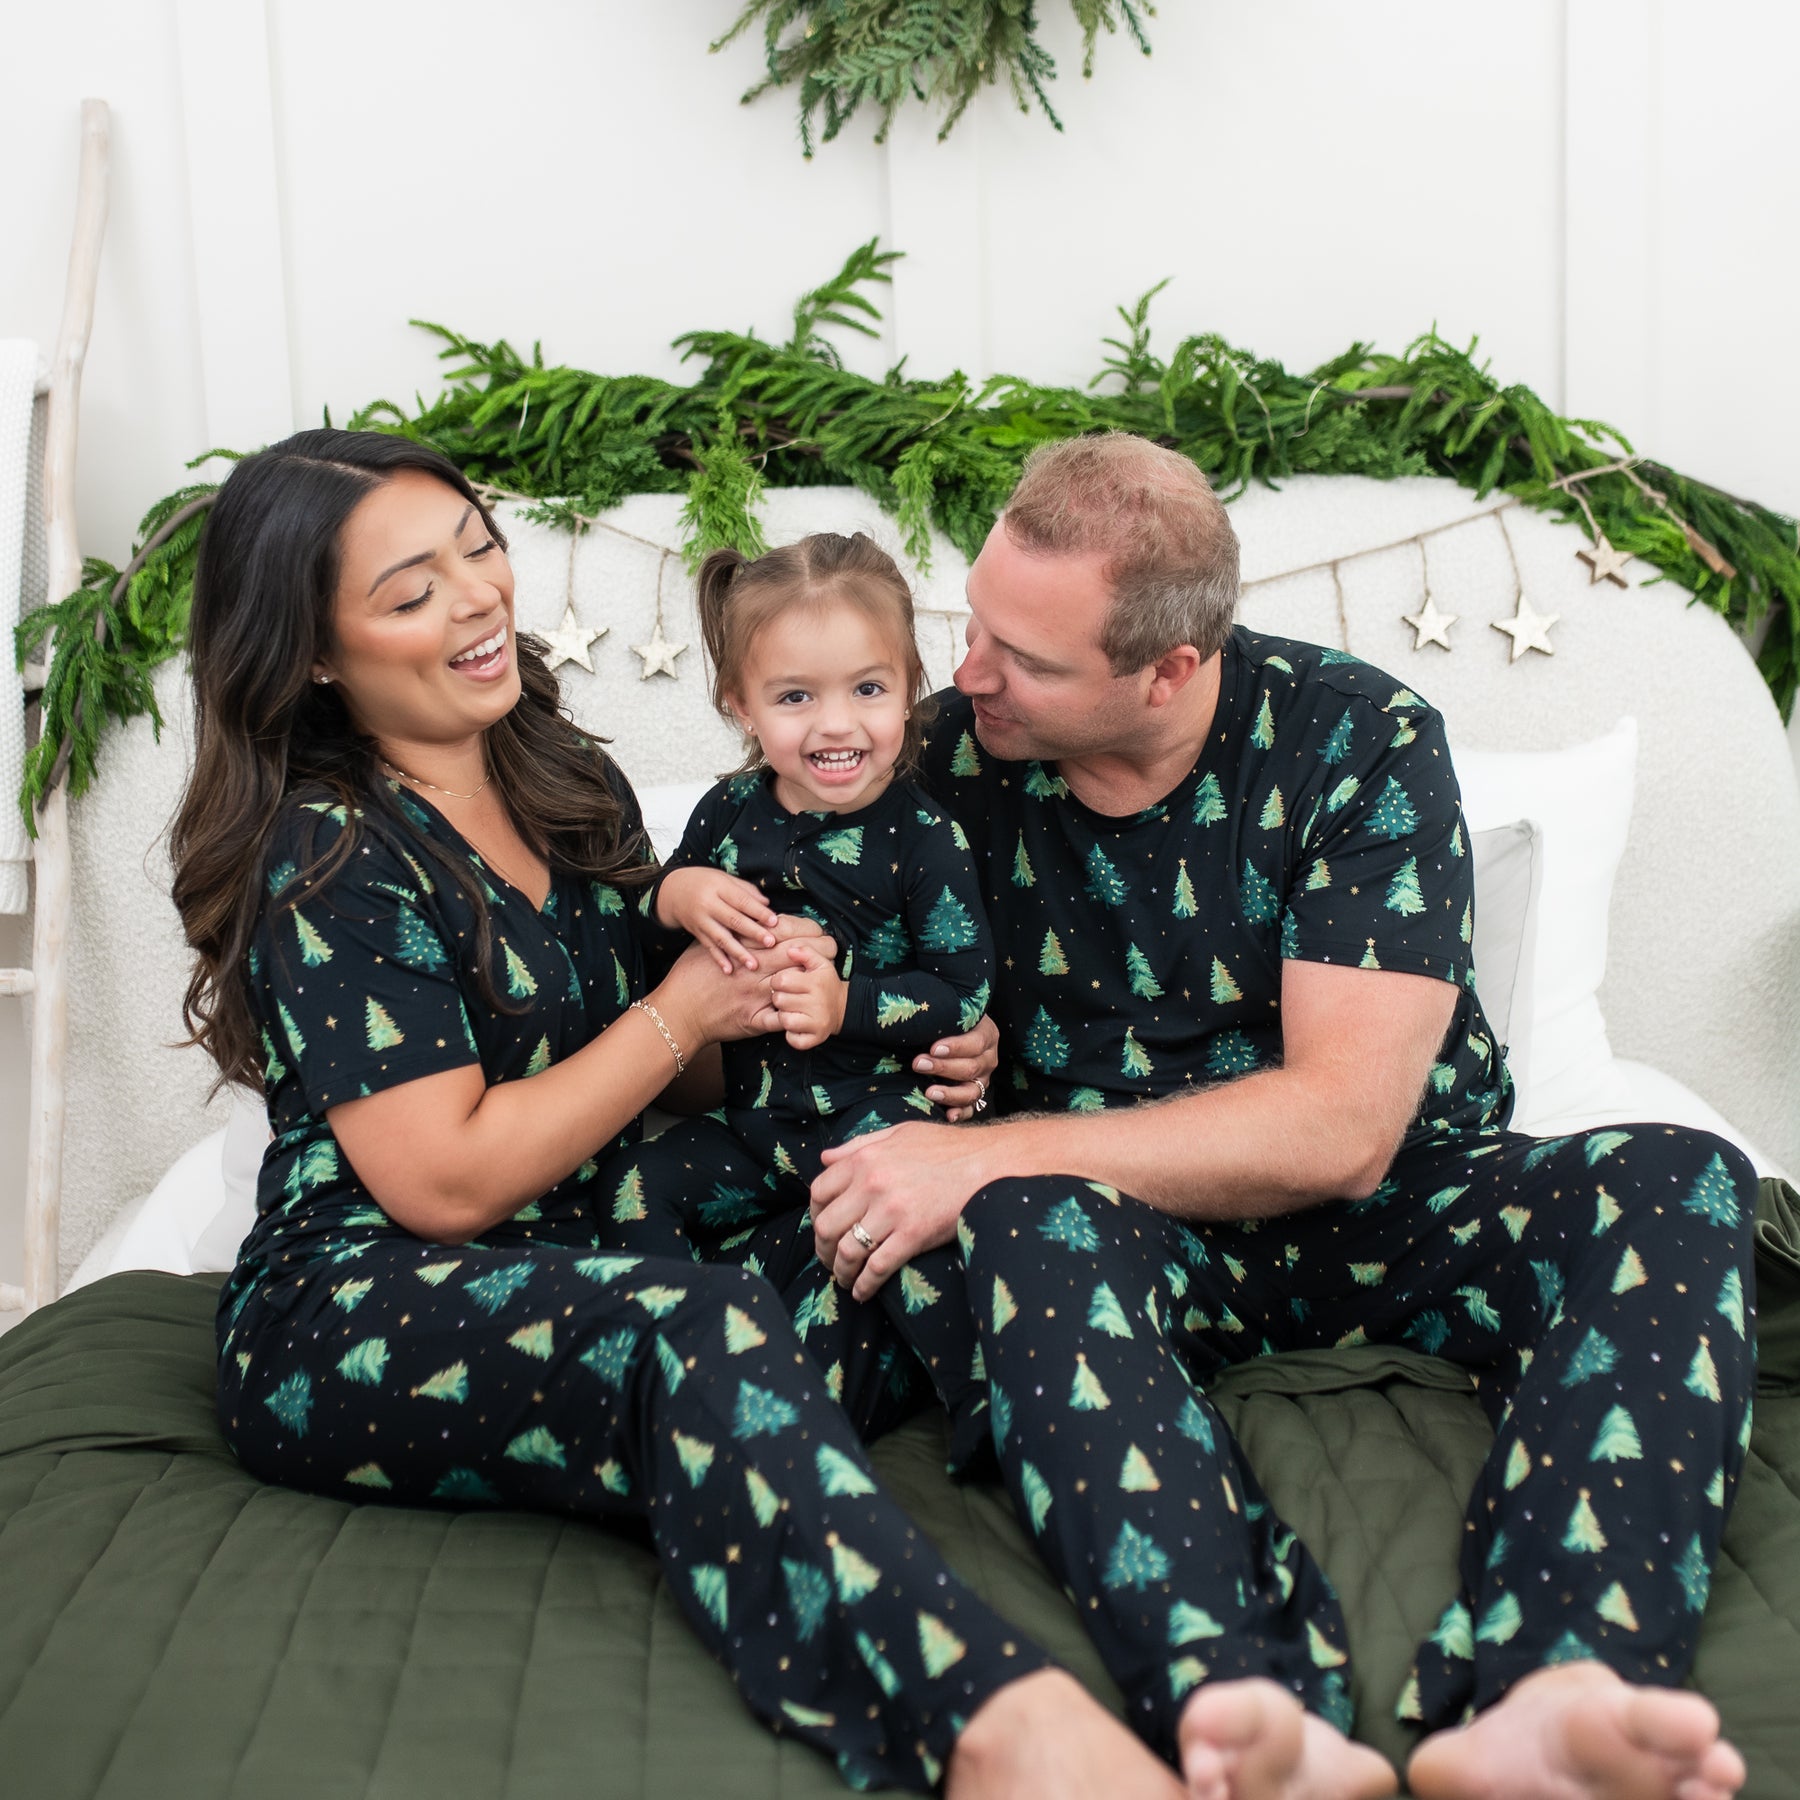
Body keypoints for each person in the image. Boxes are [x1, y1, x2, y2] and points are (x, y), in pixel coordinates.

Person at [167, 426, 1198, 1800]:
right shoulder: (334, 849)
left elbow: (685, 1071)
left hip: (597, 1243)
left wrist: (851, 1013)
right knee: (697, 1329)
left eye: (480, 550)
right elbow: (446, 1186)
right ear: (310, 652)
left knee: (890, 1242)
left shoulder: (557, 774)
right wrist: (685, 1012)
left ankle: (1216, 1658)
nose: (478, 600)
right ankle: (994, 1721)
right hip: (369, 1291)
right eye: (413, 592)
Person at [789, 433, 1754, 1800]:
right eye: (975, 625)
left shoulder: (1358, 740)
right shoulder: (940, 760)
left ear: (1171, 669)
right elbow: (781, 929)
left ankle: (1563, 1684)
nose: (970, 676)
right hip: (1129, 1230)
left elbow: (1342, 1129)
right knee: (1022, 1222)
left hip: (1405, 1207)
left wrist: (984, 1148)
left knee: (1681, 1175)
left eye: (1031, 660)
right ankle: (1242, 1699)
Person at [604, 533, 997, 1456]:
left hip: (880, 1128)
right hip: (757, 1129)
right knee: (631, 1184)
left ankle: (990, 1405)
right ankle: (677, 1353)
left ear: (909, 685)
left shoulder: (924, 836)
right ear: (739, 703)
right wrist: (672, 894)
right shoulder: (726, 814)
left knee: (906, 1251)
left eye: (868, 690)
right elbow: (641, 947)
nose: (836, 726)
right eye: (794, 698)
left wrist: (846, 1003)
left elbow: (961, 988)